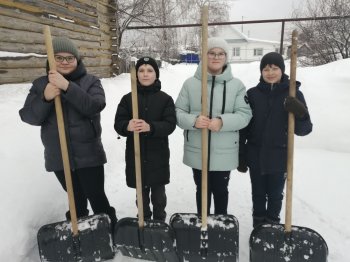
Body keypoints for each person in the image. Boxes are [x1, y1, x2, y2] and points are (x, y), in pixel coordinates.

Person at [19, 37, 117, 228]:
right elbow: (29, 117)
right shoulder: (40, 85)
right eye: (59, 57)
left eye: (69, 58)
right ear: (51, 59)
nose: (64, 62)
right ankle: (79, 233)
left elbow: (94, 106)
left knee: (97, 196)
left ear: (77, 60)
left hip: (89, 154)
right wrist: (45, 98)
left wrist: (67, 87)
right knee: (75, 199)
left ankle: (109, 229)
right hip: (59, 156)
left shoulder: (90, 81)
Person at [175, 37, 252, 215]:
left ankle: (220, 225)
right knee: (201, 189)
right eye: (211, 53)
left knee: (220, 189)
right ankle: (203, 223)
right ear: (205, 55)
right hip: (197, 148)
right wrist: (193, 120)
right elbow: (178, 112)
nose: (216, 57)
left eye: (221, 53)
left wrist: (223, 121)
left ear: (226, 57)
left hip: (224, 150)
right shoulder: (190, 84)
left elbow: (245, 115)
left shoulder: (237, 86)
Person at [238, 52, 313, 228]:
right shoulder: (253, 94)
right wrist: (241, 155)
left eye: (274, 68)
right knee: (257, 193)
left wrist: (300, 113)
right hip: (255, 154)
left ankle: (272, 229)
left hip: (280, 156)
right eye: (266, 69)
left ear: (282, 69)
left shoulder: (293, 94)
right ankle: (258, 230)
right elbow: (244, 128)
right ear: (261, 71)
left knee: (275, 195)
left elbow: (305, 130)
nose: (270, 72)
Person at [114, 57, 176, 221]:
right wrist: (127, 126)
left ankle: (159, 222)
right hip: (136, 155)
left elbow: (170, 124)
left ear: (156, 74)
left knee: (159, 196)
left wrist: (152, 127)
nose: (145, 74)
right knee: (140, 195)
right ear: (135, 74)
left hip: (158, 156)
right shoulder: (128, 99)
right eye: (141, 70)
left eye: (150, 70)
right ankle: (144, 219)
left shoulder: (165, 99)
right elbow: (118, 123)